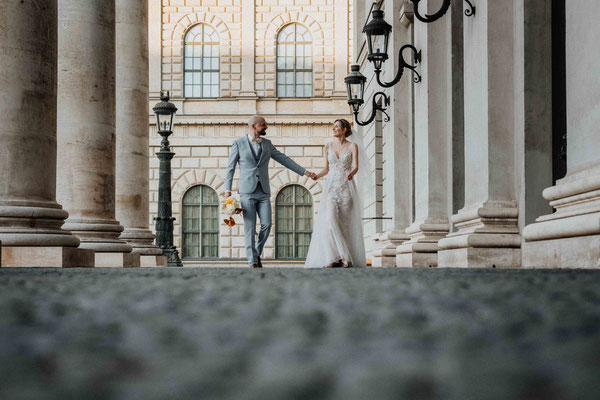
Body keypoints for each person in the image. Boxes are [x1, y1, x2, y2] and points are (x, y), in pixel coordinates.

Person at [224, 115, 317, 268]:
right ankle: (252, 262)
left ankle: (255, 253)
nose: (266, 126)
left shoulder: (267, 144)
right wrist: (227, 190)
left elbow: (284, 159)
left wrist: (305, 172)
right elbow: (230, 168)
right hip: (247, 191)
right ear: (254, 126)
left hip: (263, 191)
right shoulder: (238, 143)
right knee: (250, 227)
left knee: (267, 224)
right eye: (263, 124)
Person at [304, 119, 368, 268]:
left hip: (346, 186)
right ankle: (334, 256)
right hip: (331, 187)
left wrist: (351, 173)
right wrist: (317, 176)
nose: (334, 129)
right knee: (330, 219)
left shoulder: (353, 146)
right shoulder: (328, 146)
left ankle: (344, 258)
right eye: (333, 127)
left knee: (344, 223)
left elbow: (356, 166)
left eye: (337, 127)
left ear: (344, 129)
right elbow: (326, 169)